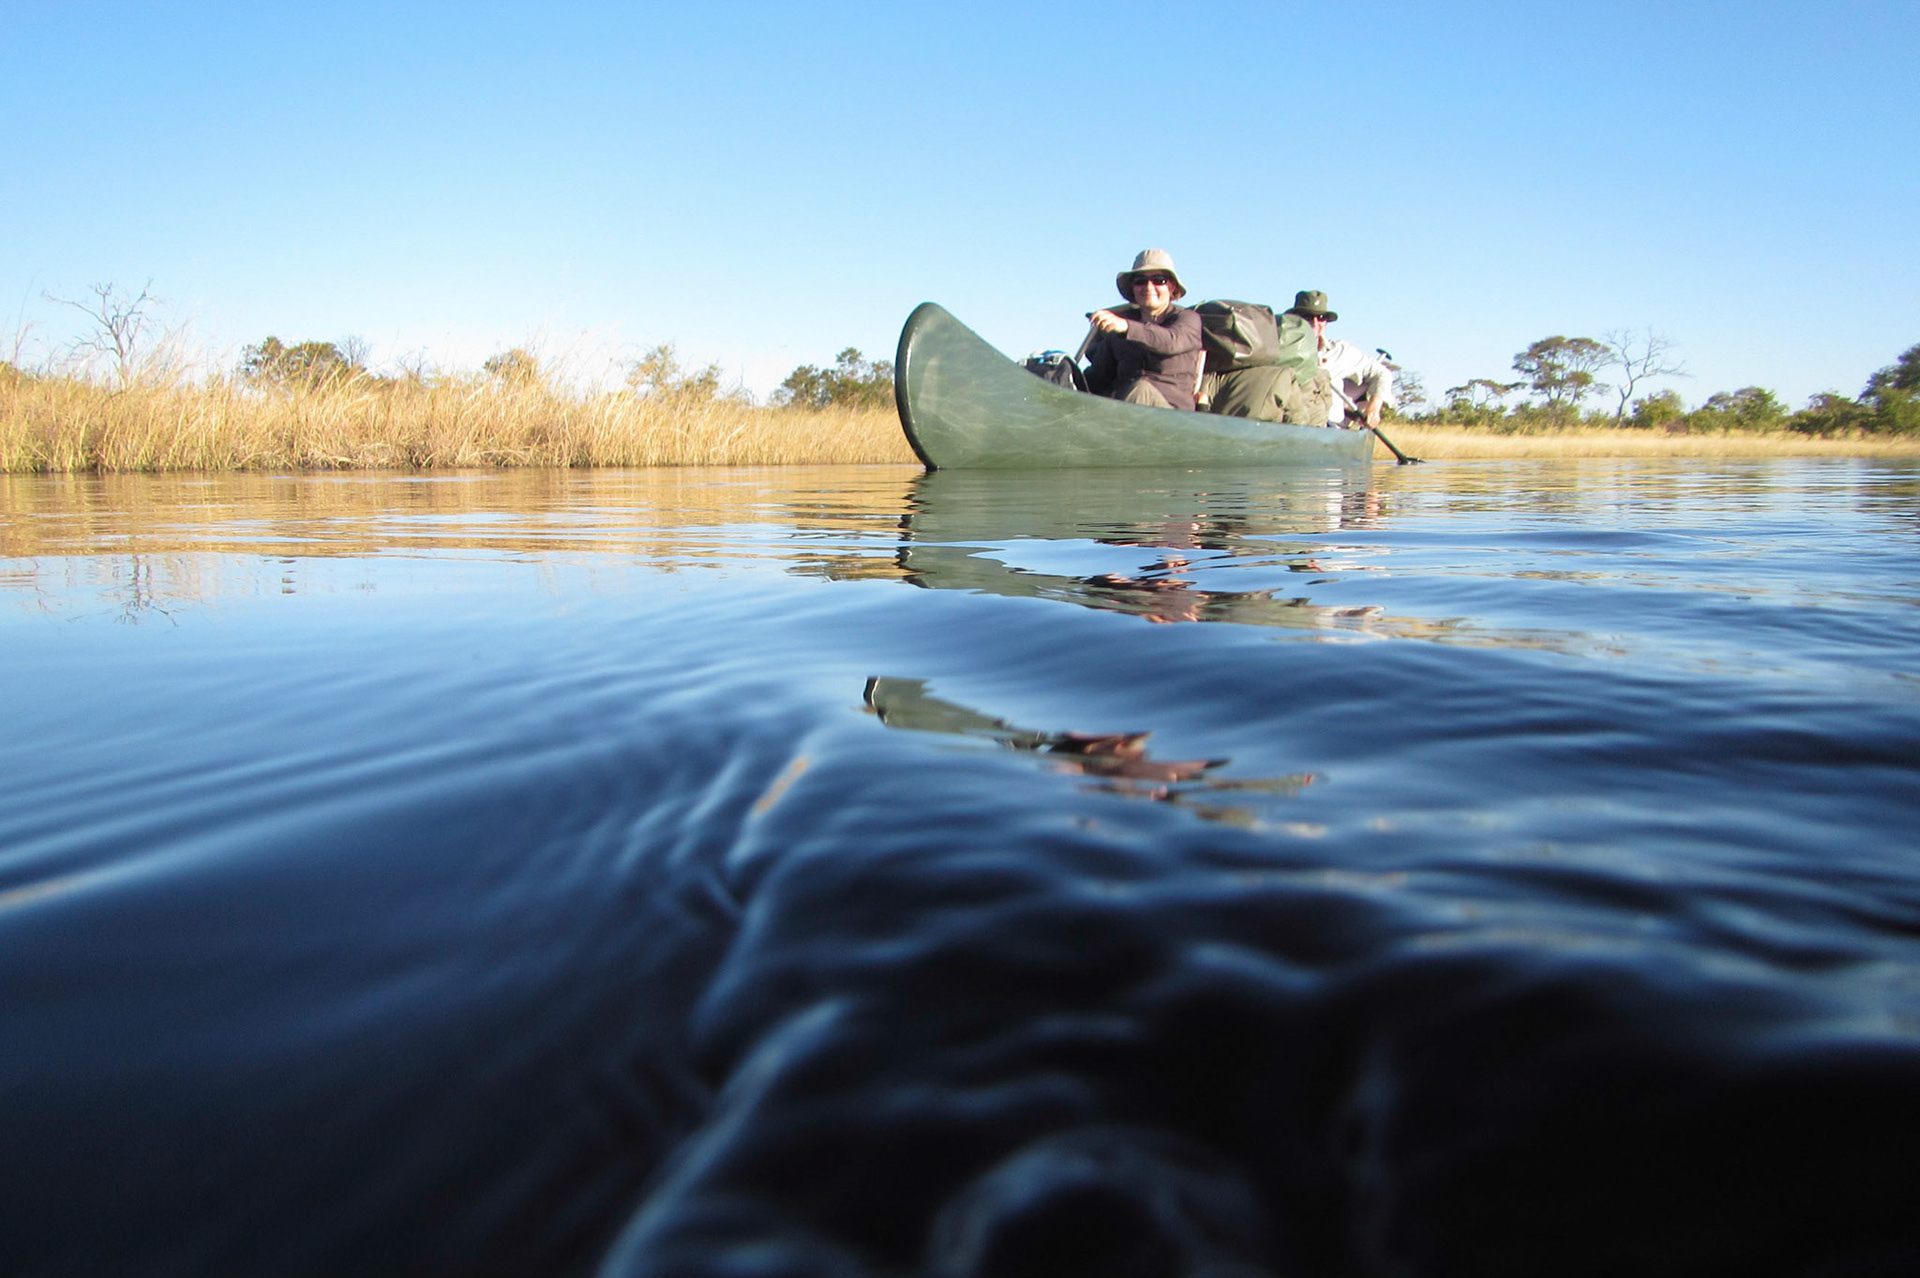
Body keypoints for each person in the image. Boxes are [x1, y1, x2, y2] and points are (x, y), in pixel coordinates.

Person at [1084, 249, 1205, 411]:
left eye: (1159, 280)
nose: (1148, 287)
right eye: (1140, 281)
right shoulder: (1117, 329)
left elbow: (1171, 341)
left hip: (1174, 421)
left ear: (1172, 286)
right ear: (1133, 287)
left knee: (1141, 390)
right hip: (1122, 411)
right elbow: (1097, 378)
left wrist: (1127, 327)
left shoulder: (1188, 320)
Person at [1285, 290, 1395, 428]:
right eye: (1307, 317)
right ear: (1294, 319)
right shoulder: (1278, 349)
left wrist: (1374, 407)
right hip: (1289, 428)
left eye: (1320, 317)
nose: (1314, 323)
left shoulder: (1340, 351)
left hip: (1332, 431)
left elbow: (1382, 373)